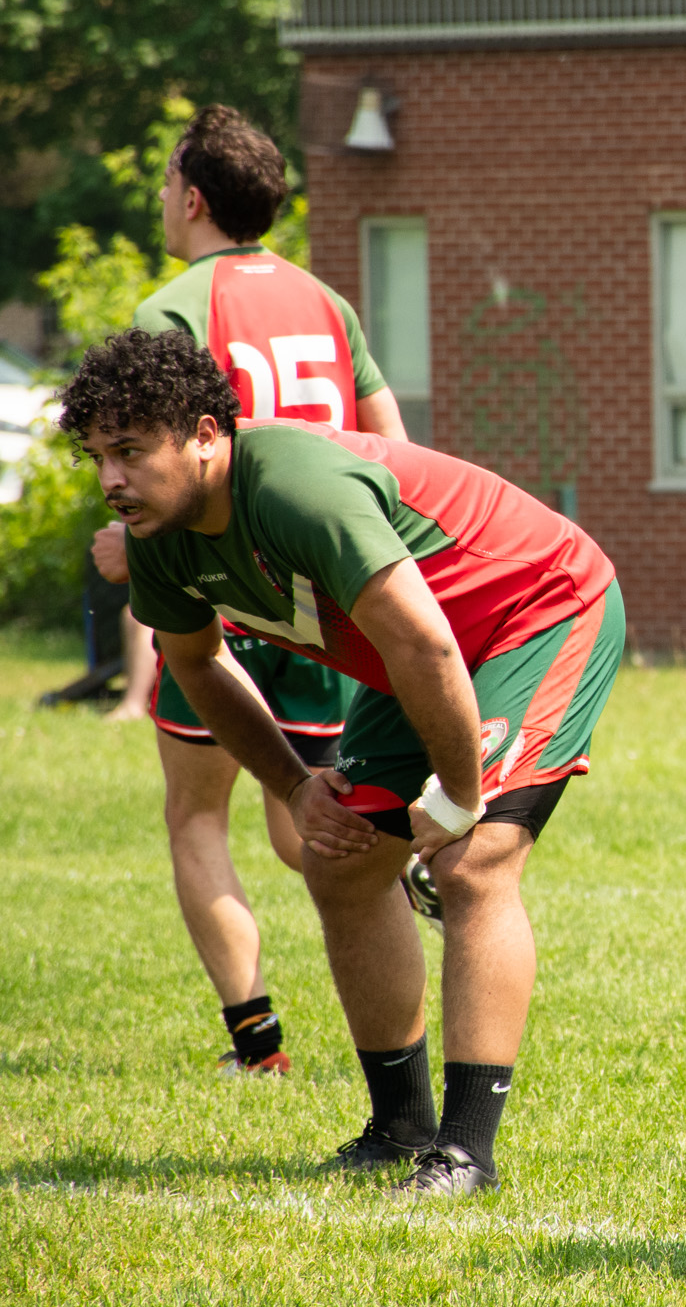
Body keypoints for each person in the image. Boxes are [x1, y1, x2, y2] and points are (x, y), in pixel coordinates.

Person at [61, 326, 624, 1196]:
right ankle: (399, 1130)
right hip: (418, 652)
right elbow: (200, 663)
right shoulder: (158, 538)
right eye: (98, 456)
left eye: (130, 451)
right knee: (342, 861)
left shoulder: (295, 490)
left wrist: (460, 797)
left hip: (535, 610)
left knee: (474, 862)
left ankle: (466, 1154)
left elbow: (430, 646)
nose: (110, 479)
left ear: (207, 434)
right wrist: (294, 783)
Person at [90, 104, 415, 1076]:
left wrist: (126, 542)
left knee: (197, 814)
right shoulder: (326, 301)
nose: (159, 200)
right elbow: (388, 441)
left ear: (192, 197)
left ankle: (257, 1043)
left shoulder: (172, 308)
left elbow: (142, 459)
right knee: (309, 821)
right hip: (324, 588)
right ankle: (411, 910)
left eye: (162, 184)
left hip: (222, 582)